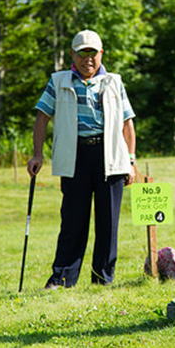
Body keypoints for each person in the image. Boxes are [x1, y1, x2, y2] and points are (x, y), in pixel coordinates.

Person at [27, 29, 137, 289]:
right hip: (74, 155)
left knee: (108, 222)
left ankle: (102, 278)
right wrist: (37, 154)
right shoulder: (59, 81)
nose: (87, 58)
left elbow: (127, 122)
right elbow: (42, 117)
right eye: (81, 52)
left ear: (101, 53)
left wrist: (131, 160)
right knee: (73, 220)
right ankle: (62, 279)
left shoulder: (114, 81)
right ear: (72, 55)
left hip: (109, 156)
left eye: (92, 52)